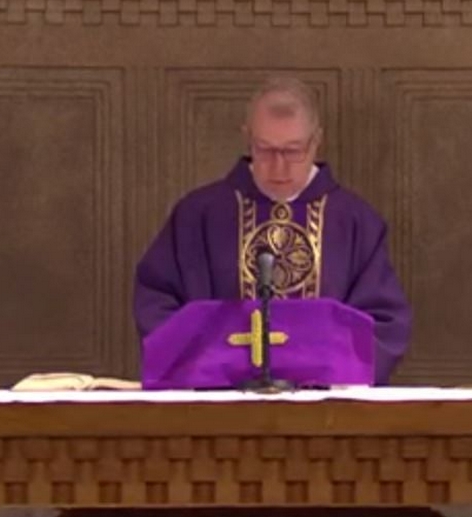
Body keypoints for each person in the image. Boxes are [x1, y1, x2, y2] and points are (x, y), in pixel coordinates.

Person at [134, 77, 411, 382]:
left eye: (293, 151)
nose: (279, 167)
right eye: (265, 150)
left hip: (326, 413)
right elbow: (158, 304)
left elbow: (384, 324)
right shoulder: (199, 215)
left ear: (316, 141)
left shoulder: (355, 221)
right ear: (247, 138)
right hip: (218, 408)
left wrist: (329, 367)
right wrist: (209, 364)